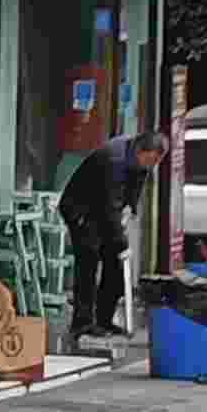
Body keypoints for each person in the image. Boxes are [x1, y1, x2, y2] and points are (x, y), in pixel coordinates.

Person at [58, 136, 138, 340]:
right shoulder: (114, 159)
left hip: (102, 211)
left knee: (114, 265)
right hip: (81, 211)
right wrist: (122, 242)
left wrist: (130, 206)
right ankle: (82, 324)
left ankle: (104, 319)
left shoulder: (139, 160)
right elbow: (110, 206)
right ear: (143, 152)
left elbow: (135, 185)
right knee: (88, 262)